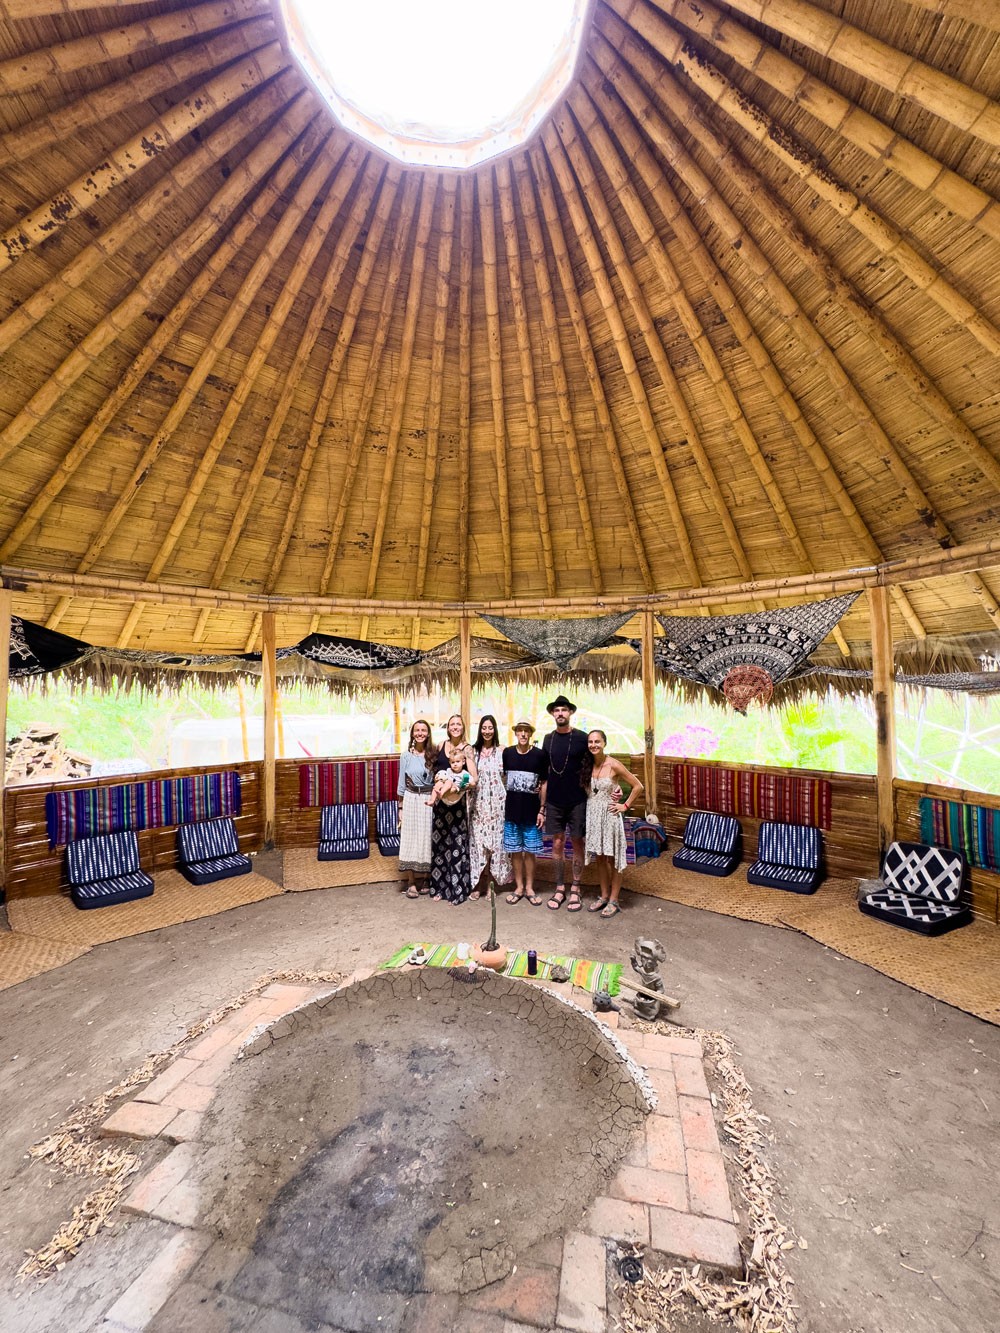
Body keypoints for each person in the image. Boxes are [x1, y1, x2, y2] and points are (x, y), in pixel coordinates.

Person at [580, 729, 643, 918]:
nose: (593, 745)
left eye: (597, 741)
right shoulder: (587, 764)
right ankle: (604, 895)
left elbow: (638, 786)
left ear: (604, 743)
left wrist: (624, 805)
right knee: (600, 857)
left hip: (610, 815)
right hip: (593, 815)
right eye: (590, 742)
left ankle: (614, 900)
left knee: (613, 857)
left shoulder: (614, 764)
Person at [542, 694, 590, 913]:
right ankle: (560, 886)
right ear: (553, 714)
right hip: (554, 800)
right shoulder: (547, 739)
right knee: (558, 843)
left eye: (564, 710)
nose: (560, 713)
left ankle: (576, 887)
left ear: (570, 713)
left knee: (578, 842)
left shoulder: (582, 738)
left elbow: (595, 765)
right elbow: (544, 771)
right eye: (557, 710)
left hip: (578, 799)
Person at [428, 714, 477, 905]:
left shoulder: (467, 749)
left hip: (457, 806)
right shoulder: (440, 746)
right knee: (440, 845)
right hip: (440, 805)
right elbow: (436, 770)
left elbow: (474, 779)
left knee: (456, 847)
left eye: (458, 724)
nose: (455, 727)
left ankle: (456, 890)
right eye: (452, 724)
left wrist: (458, 787)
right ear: (447, 728)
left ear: (463, 727)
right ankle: (439, 888)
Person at [502, 720, 548, 905]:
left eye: (526, 731)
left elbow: (544, 782)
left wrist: (542, 809)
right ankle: (519, 887)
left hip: (532, 812)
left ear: (530, 734)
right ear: (515, 733)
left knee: (530, 851)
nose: (522, 734)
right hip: (511, 811)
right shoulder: (508, 753)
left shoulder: (540, 755)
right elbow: (502, 777)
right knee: (514, 851)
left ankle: (529, 888)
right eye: (519, 731)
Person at [469, 713, 513, 900]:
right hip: (478, 805)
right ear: (480, 730)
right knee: (478, 845)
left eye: (490, 728)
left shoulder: (503, 751)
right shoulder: (472, 752)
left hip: (497, 806)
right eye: (484, 728)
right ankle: (478, 884)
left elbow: (510, 776)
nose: (487, 731)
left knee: (495, 845)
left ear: (495, 730)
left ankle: (491, 886)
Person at [397, 719, 436, 899]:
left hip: (428, 799)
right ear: (413, 733)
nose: (420, 733)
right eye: (417, 730)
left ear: (428, 734)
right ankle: (411, 881)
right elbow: (401, 784)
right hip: (411, 798)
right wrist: (400, 808)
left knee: (426, 837)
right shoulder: (406, 756)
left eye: (423, 730)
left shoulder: (433, 754)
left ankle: (427, 878)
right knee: (410, 838)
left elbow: (439, 778)